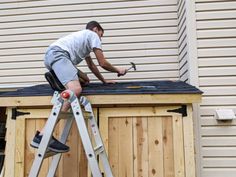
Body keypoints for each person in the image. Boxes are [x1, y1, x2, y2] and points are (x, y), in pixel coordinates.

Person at [30, 21, 127, 153]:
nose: (100, 38)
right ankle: (43, 136)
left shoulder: (83, 41)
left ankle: (59, 80)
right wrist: (117, 70)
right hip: (59, 55)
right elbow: (102, 63)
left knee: (85, 79)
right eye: (101, 35)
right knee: (75, 90)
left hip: (55, 57)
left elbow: (92, 66)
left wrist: (104, 80)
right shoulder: (92, 36)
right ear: (95, 29)